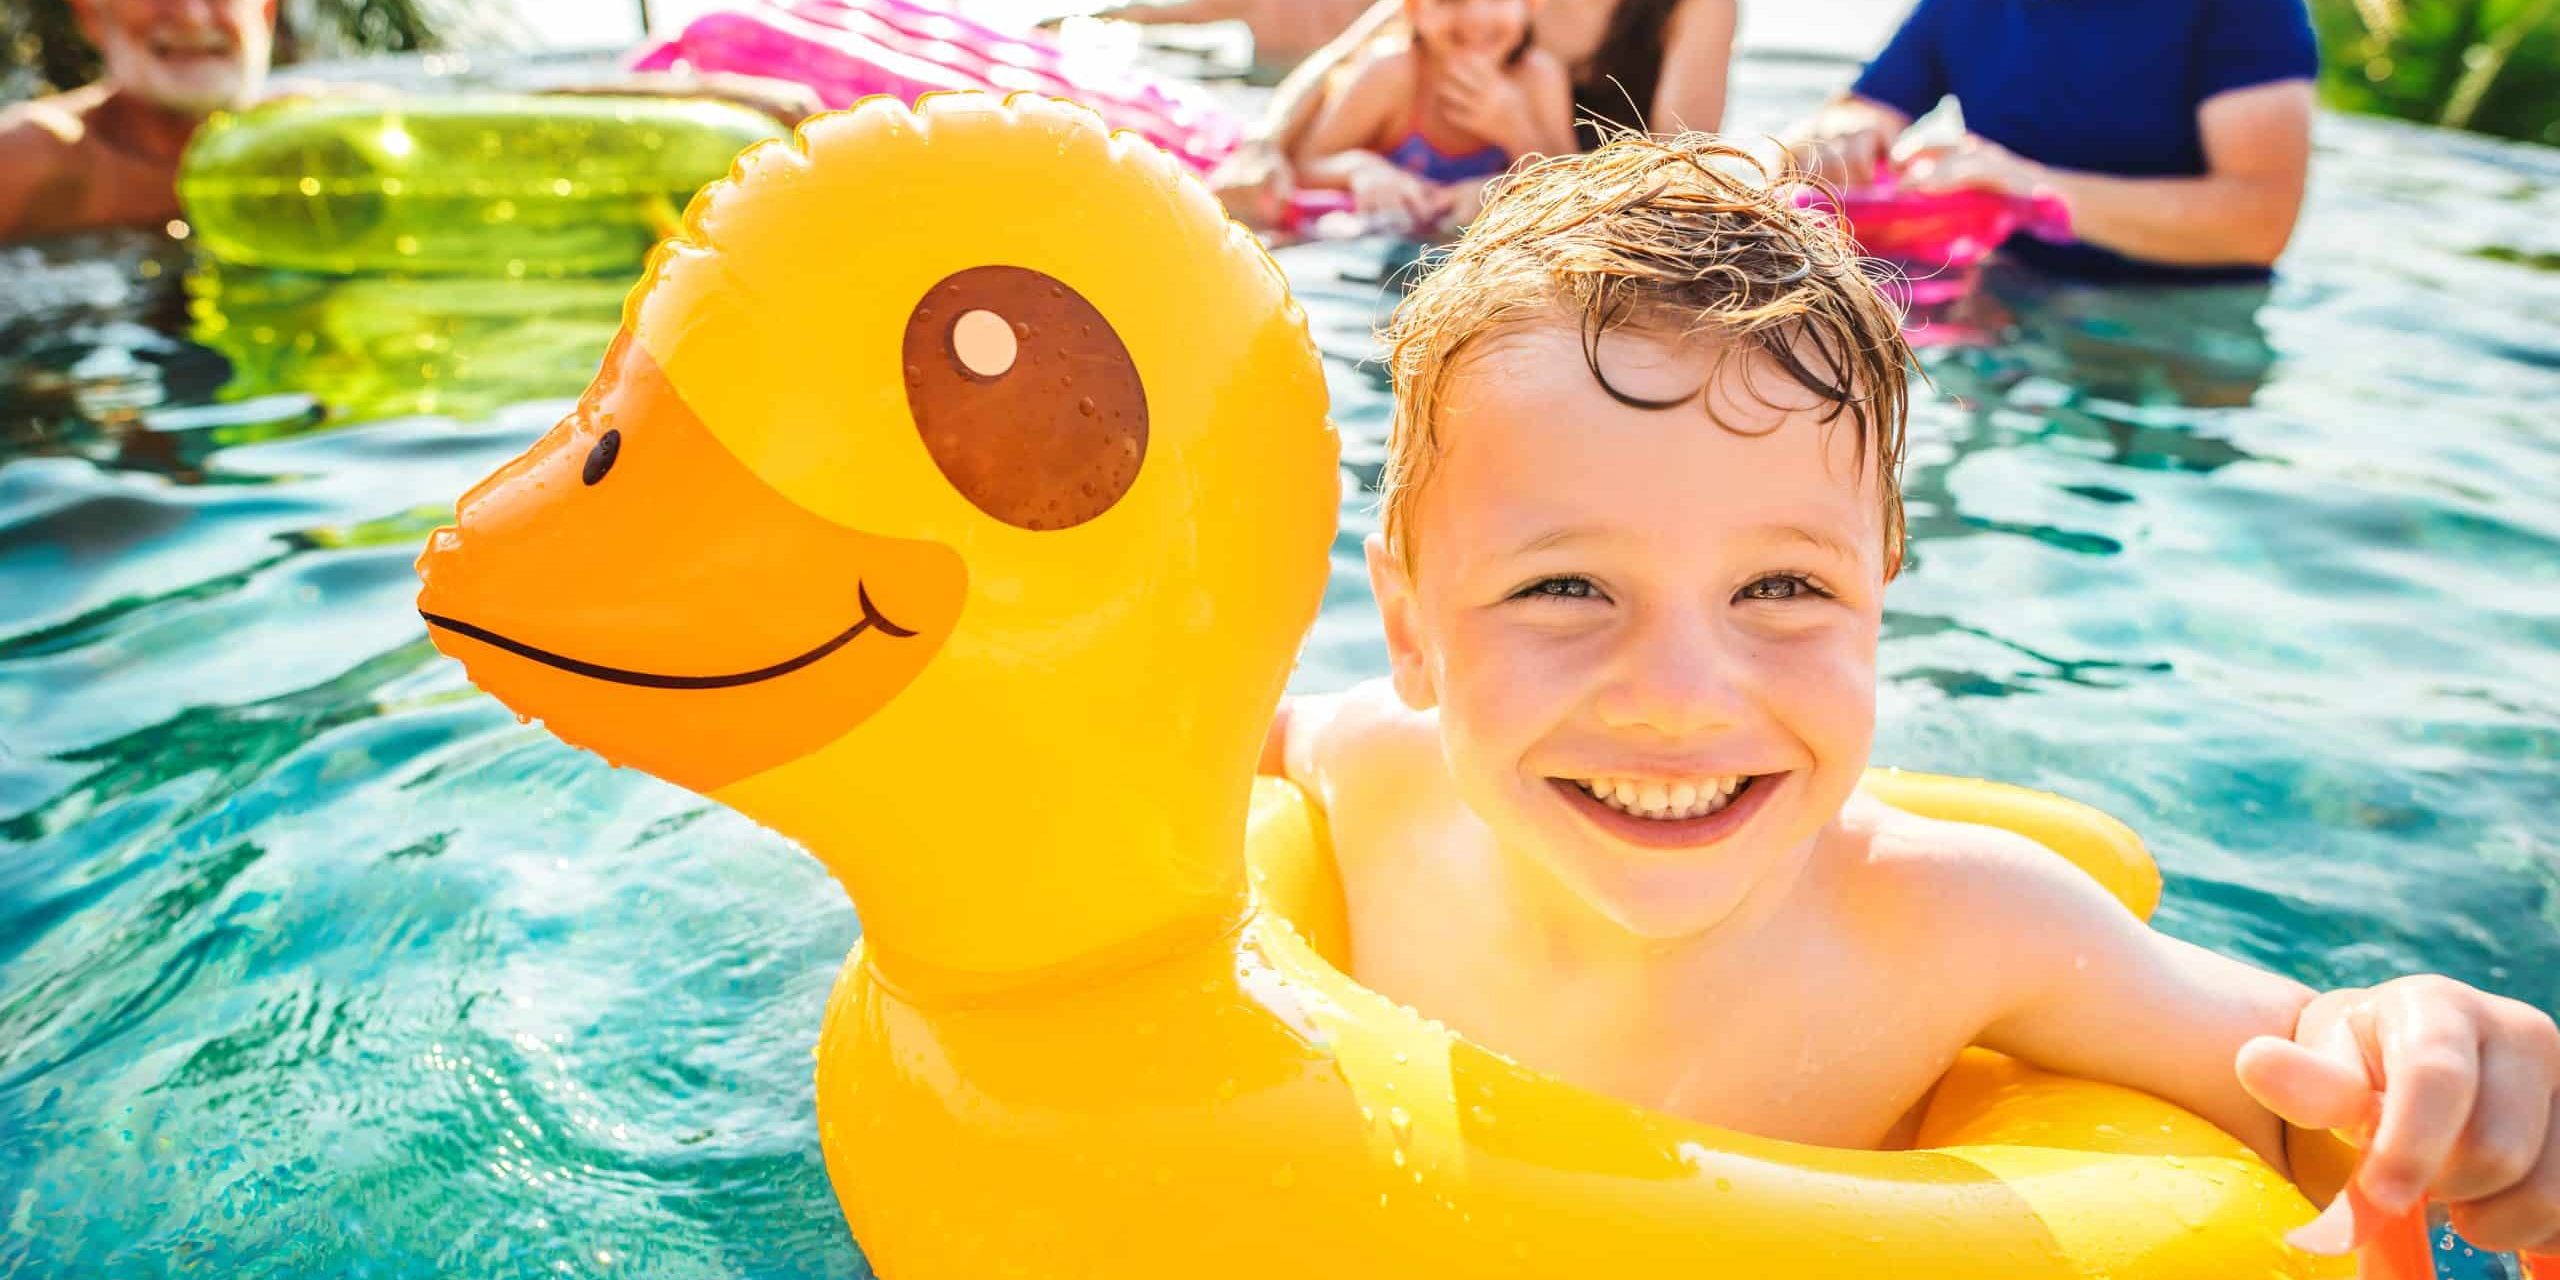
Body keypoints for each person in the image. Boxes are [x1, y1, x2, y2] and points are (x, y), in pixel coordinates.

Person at [1259, 132, 2560, 1266]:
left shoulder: (1954, 928)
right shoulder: (1367, 778)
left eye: (1779, 586)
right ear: (1410, 627)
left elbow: (2298, 1081)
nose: (1674, 697)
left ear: (1880, 596)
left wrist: (2442, 1064)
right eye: (1563, 589)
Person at [0, 0, 819, 246]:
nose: (192, 16)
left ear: (266, 11)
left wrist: (709, 95)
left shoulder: (306, 128)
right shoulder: (39, 161)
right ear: (92, 16)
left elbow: (487, 103)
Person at [1785, 0, 2319, 281]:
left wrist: (2035, 190)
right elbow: (1841, 121)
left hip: (2184, 328)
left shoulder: (2247, 8)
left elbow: (2262, 222)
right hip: (2006, 298)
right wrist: (1838, 138)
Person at [1211, 0, 1733, 227]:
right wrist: (1264, 145)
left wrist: (1511, 178)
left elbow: (1677, 168)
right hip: (1473, 180)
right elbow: (1343, 57)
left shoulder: (1692, 9)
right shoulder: (1456, 22)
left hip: (1590, 195)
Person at [1287, 0, 1576, 233]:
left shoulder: (1539, 78)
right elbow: (1304, 162)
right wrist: (1363, 170)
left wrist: (1514, 130)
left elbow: (1571, 185)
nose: (1475, 17)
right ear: (1414, 8)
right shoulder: (1392, 72)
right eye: (1450, 1)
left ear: (1532, 5)